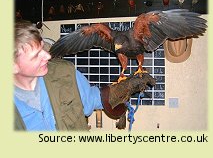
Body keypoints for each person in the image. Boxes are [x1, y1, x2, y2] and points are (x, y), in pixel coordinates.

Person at [14, 20, 155, 131]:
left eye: (42, 47)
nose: (47, 55)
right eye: (36, 55)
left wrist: (125, 87)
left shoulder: (65, 73)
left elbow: (95, 98)